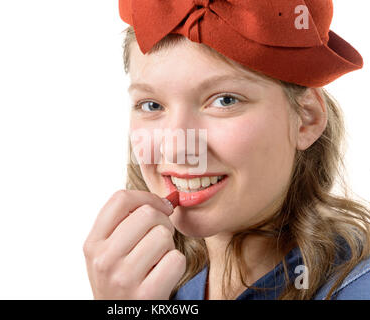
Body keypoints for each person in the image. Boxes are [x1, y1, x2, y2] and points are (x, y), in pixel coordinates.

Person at [83, 0, 370, 299]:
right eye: (151, 105)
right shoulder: (162, 286)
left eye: (225, 101)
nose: (178, 149)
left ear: (306, 119)